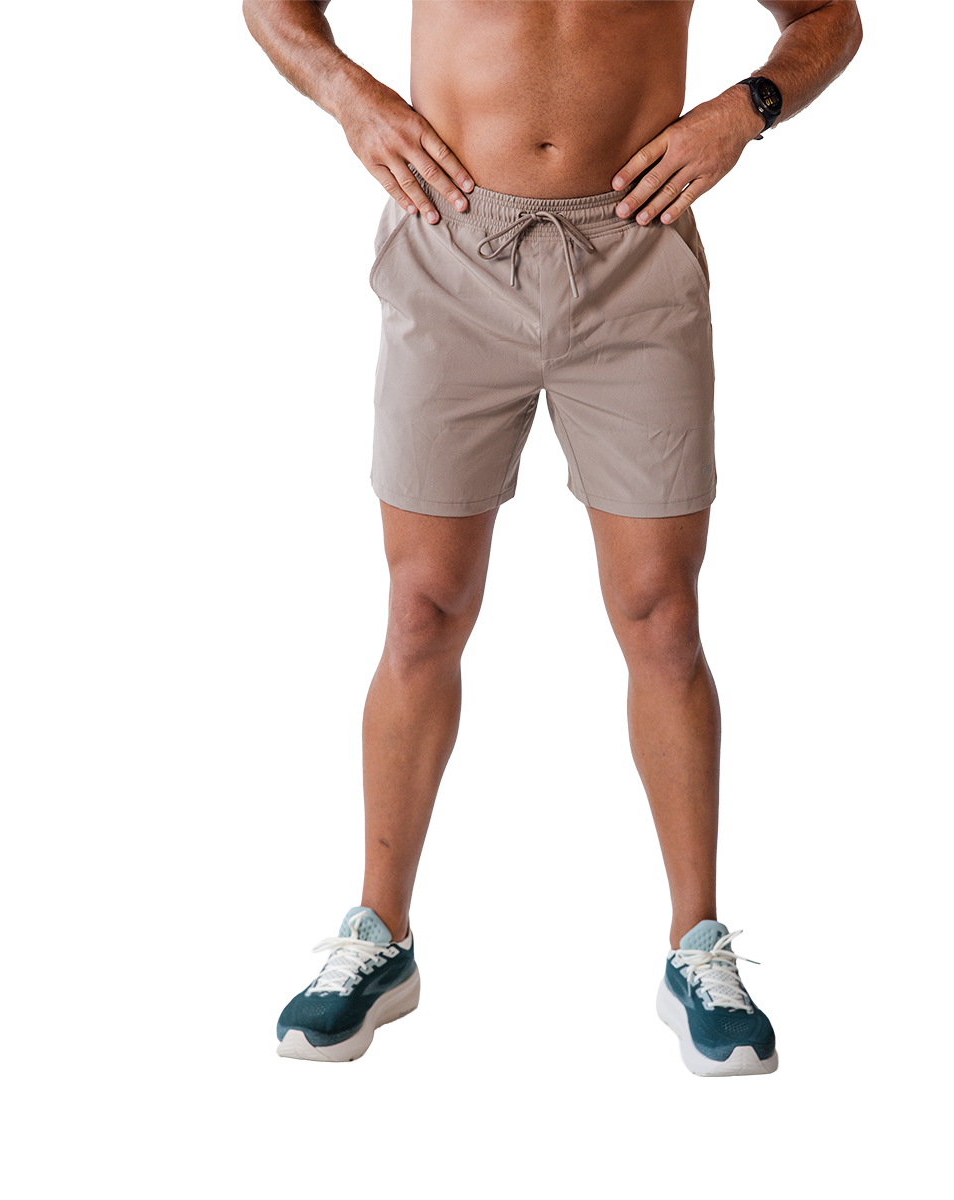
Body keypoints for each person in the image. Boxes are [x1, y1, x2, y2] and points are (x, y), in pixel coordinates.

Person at [244, 0, 862, 1076]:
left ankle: (697, 947)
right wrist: (353, 98)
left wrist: (744, 109)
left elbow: (828, 18)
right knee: (422, 611)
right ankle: (379, 935)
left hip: (635, 249)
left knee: (663, 618)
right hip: (452, 242)